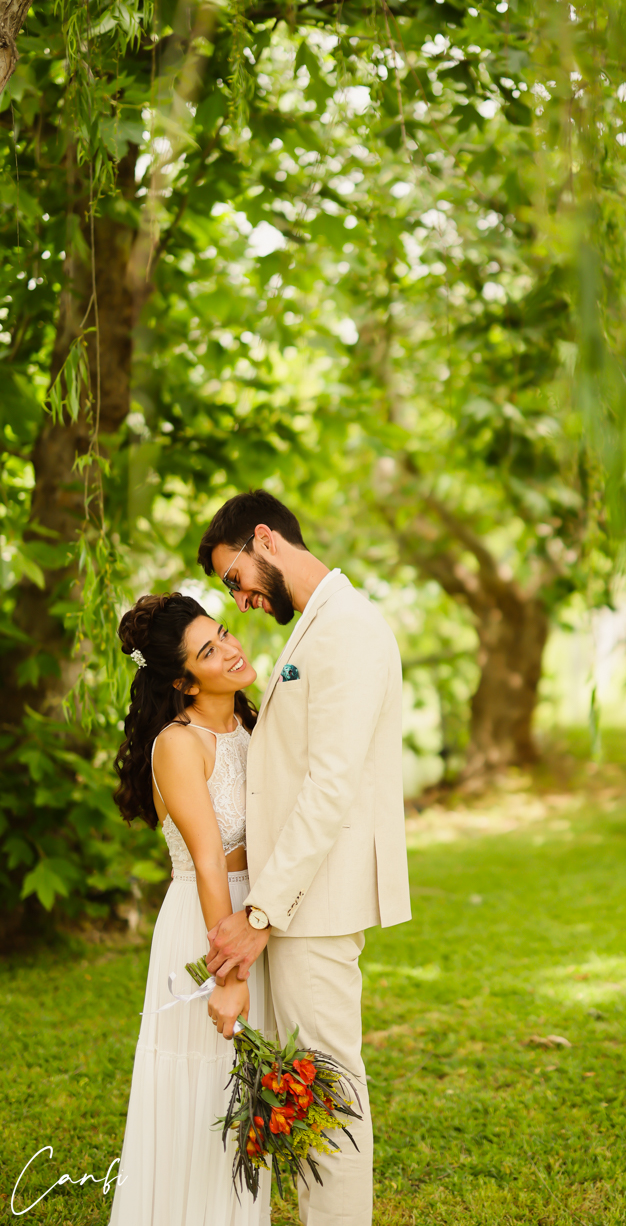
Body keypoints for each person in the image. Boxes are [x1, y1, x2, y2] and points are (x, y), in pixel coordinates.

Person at [198, 490, 412, 1226]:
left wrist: (260, 910)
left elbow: (331, 783)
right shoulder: (314, 626)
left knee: (327, 1082)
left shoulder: (348, 627)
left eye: (236, 578)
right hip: (295, 899)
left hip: (315, 902)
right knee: (300, 1081)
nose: (241, 599)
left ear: (266, 539)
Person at [109, 592, 273, 1226]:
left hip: (253, 918)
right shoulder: (179, 743)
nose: (231, 649)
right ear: (182, 680)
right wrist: (227, 976)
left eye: (224, 633)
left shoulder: (251, 726)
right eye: (210, 651)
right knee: (203, 1083)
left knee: (244, 1086)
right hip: (208, 925)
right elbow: (209, 861)